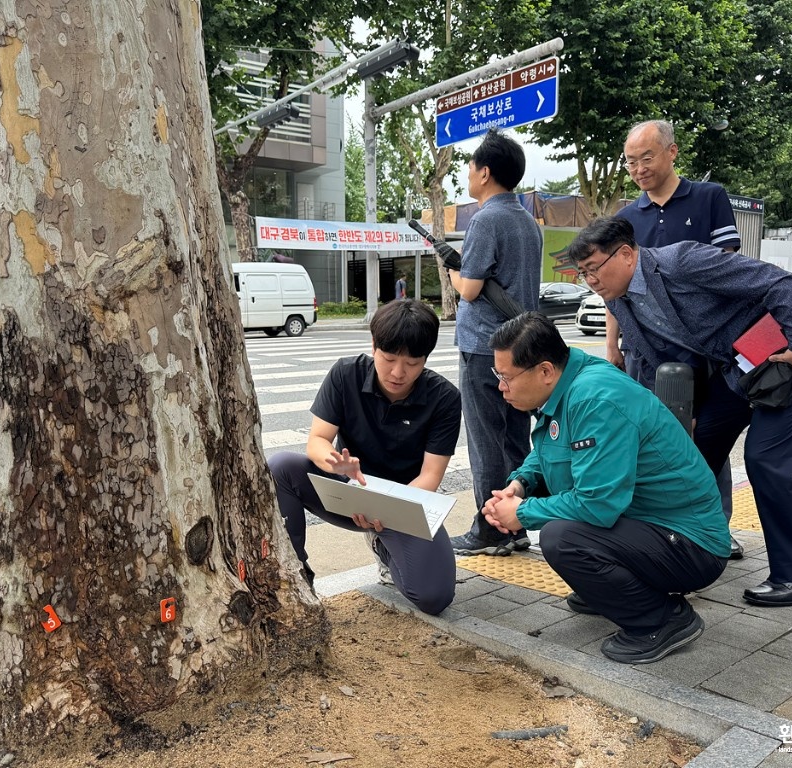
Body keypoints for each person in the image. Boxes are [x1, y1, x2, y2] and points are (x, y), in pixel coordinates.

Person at [567, 216, 792, 607]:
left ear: (625, 254)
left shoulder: (682, 262)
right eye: (583, 273)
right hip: (739, 373)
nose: (590, 280)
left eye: (594, 269)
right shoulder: (618, 298)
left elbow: (777, 282)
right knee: (680, 460)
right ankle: (657, 566)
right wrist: (673, 415)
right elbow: (655, 356)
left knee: (765, 462)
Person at [481, 312, 728, 664]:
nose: (501, 386)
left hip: (691, 543)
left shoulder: (595, 398)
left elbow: (598, 504)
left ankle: (663, 620)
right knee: (565, 533)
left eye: (506, 377)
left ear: (546, 371)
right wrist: (520, 485)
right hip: (651, 526)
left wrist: (522, 513)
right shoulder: (569, 384)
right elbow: (553, 450)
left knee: (561, 538)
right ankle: (611, 589)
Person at [267, 299, 460, 615]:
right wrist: (334, 462)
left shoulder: (445, 398)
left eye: (412, 363)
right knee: (281, 467)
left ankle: (385, 547)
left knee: (434, 597)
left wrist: (386, 509)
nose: (398, 372)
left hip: (403, 504)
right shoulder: (346, 374)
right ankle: (294, 574)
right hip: (348, 491)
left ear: (426, 358)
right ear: (374, 346)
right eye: (388, 359)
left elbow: (430, 476)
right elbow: (317, 440)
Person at [613, 119, 744, 560]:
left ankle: (715, 528)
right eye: (631, 162)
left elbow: (727, 272)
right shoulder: (627, 218)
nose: (638, 168)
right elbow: (615, 290)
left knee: (709, 438)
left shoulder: (708, 198)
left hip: (704, 348)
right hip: (647, 353)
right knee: (652, 439)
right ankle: (661, 527)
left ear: (672, 152)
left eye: (646, 157)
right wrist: (613, 347)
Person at [446, 128, 544, 557]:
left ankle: (488, 529)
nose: (469, 174)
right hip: (522, 349)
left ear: (485, 173)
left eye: (470, 167)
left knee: (485, 441)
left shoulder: (485, 218)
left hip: (484, 347)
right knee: (515, 439)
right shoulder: (528, 222)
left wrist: (451, 272)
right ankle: (515, 523)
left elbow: (469, 289)